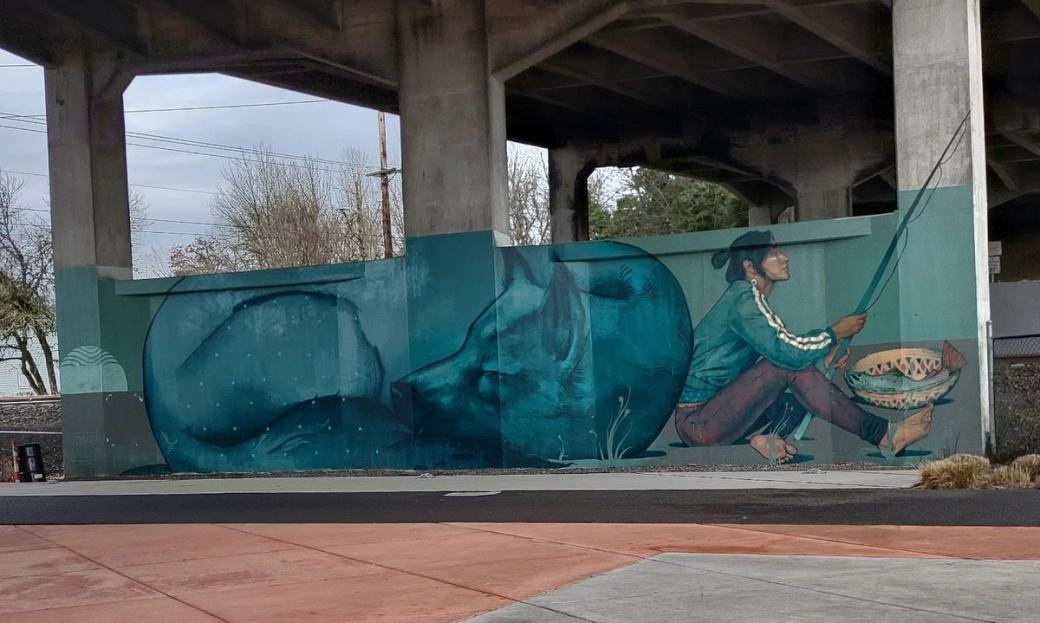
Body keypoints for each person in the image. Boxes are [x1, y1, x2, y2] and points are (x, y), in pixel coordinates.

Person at [675, 230, 933, 463]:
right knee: (784, 367)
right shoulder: (743, 301)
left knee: (799, 399)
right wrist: (833, 334)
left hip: (718, 414)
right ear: (750, 267)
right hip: (699, 423)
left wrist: (825, 351)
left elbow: (784, 346)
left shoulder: (744, 299)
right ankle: (884, 435)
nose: (784, 257)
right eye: (774, 253)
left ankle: (765, 438)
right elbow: (787, 353)